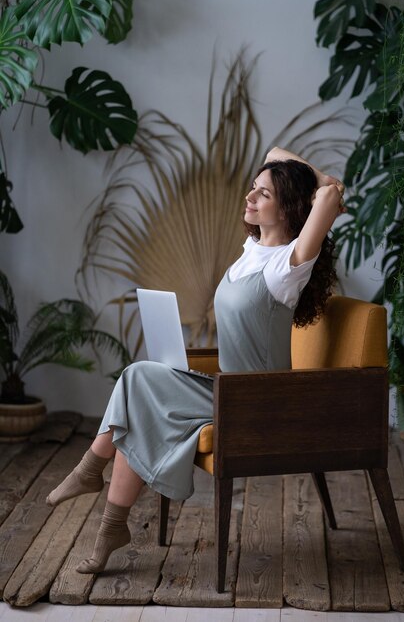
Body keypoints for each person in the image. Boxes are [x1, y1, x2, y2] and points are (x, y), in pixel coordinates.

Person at [46, 147, 345, 574]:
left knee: (136, 381)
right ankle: (110, 523)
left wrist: (304, 181)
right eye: (253, 189)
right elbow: (275, 153)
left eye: (263, 194)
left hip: (261, 401)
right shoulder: (253, 251)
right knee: (138, 394)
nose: (250, 198)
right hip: (228, 389)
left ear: (290, 208)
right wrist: (279, 174)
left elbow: (331, 193)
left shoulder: (289, 265)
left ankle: (91, 471)